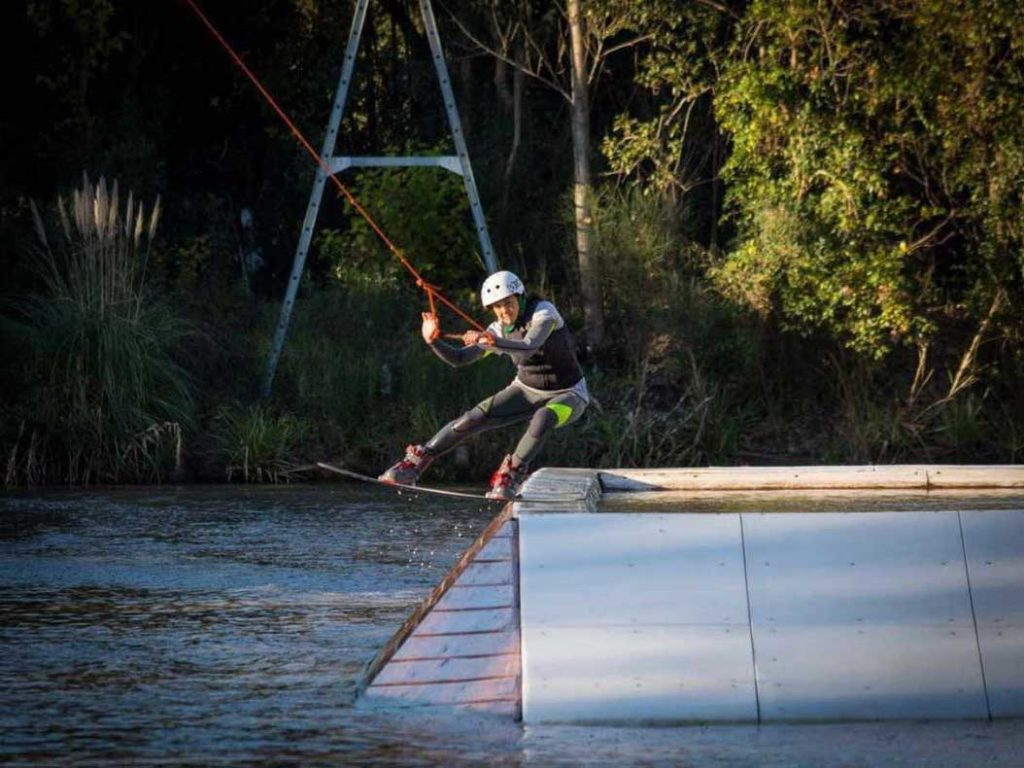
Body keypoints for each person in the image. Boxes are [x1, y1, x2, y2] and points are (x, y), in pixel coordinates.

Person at [379, 270, 589, 500]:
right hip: (525, 391)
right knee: (471, 418)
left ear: (520, 297)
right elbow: (460, 359)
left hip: (569, 395)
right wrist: (433, 341)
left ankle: (512, 474)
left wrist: (493, 341)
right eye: (497, 307)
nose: (504, 311)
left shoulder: (544, 312)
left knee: (543, 418)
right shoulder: (497, 329)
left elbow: (530, 345)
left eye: (508, 303)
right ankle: (414, 464)